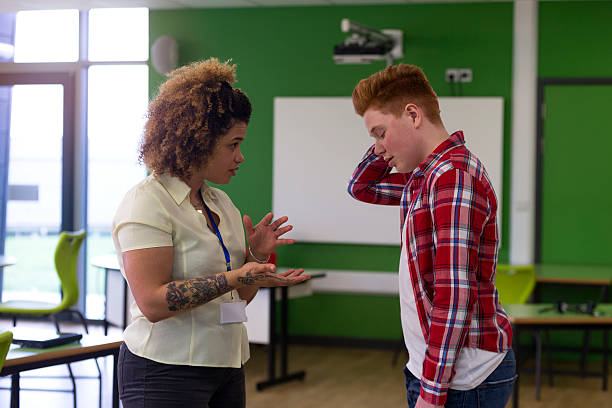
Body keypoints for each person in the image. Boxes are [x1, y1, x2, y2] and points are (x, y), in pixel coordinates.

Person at [112, 58, 309, 408]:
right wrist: (235, 276)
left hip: (226, 364)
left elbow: (237, 298)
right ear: (197, 142)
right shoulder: (146, 203)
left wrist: (258, 258)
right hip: (164, 370)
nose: (241, 157)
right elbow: (153, 303)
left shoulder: (222, 203)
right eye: (233, 145)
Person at [347, 64, 515, 408]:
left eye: (380, 133)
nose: (378, 148)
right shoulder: (423, 178)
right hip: (433, 367)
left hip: (464, 378)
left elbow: (454, 295)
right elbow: (362, 187)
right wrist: (383, 146)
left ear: (413, 114)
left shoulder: (451, 178)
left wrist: (433, 392)